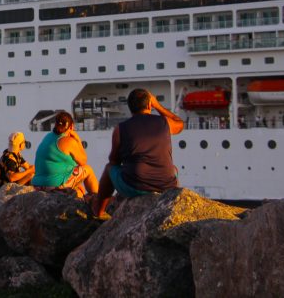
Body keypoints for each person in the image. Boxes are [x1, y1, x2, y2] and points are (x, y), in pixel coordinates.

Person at [91, 89, 184, 219]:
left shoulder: (120, 129)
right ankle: (171, 206)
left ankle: (98, 211)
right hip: (167, 186)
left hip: (135, 186)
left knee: (109, 169)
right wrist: (157, 105)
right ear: (148, 105)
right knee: (173, 169)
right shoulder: (165, 123)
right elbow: (180, 124)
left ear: (130, 107)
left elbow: (114, 160)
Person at [32, 112, 98, 198]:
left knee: (79, 190)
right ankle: (96, 199)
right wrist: (78, 140)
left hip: (38, 185)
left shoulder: (48, 136)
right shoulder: (68, 141)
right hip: (54, 185)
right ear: (71, 127)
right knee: (88, 170)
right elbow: (83, 161)